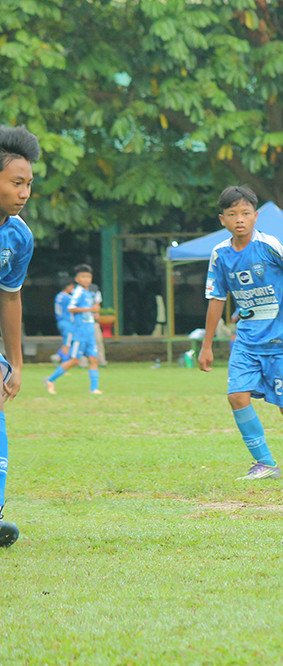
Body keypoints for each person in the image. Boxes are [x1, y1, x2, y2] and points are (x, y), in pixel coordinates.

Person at [197, 185, 283, 480]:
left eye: (246, 213)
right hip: (247, 341)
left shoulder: (270, 245)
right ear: (222, 219)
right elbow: (216, 299)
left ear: (255, 216)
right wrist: (207, 345)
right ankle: (265, 463)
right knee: (236, 396)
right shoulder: (220, 254)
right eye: (232, 214)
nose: (240, 219)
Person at [0, 126, 40, 548]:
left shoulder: (18, 235)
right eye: (16, 183)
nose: (25, 192)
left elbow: (10, 299)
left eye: (28, 184)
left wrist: (15, 362)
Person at [44, 264, 102, 395]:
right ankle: (50, 379)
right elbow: (71, 308)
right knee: (75, 360)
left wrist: (95, 312)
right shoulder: (77, 292)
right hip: (79, 332)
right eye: (83, 276)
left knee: (94, 359)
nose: (86, 279)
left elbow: (95, 308)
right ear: (77, 279)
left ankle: (94, 389)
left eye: (88, 276)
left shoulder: (92, 293)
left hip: (90, 331)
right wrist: (90, 310)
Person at [53, 282, 74, 363]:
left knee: (68, 341)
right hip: (67, 322)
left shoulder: (58, 296)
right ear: (67, 287)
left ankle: (57, 355)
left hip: (60, 321)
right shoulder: (68, 297)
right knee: (68, 343)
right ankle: (65, 362)